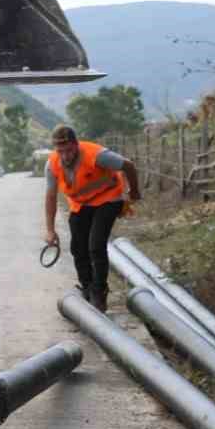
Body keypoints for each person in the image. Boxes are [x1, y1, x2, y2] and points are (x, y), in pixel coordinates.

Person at [42, 124, 142, 311]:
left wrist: (134, 192)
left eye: (69, 150)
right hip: (81, 204)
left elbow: (128, 165)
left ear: (76, 145)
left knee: (95, 245)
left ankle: (99, 292)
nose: (65, 156)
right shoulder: (52, 164)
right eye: (60, 151)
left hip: (108, 198)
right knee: (78, 247)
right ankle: (87, 287)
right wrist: (50, 229)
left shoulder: (97, 155)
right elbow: (50, 197)